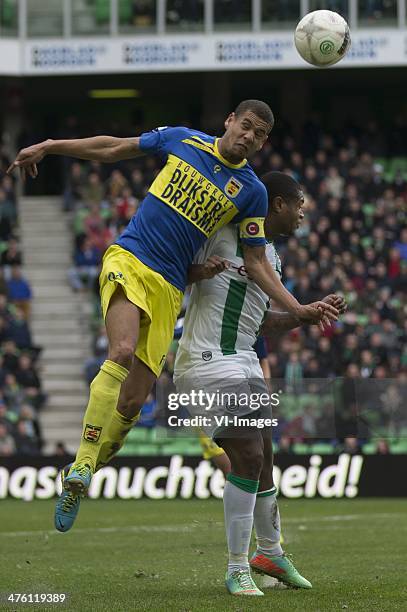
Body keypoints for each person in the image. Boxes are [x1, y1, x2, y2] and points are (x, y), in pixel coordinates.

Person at [8, 101, 338, 533]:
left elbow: (256, 261)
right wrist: (51, 146)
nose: (248, 137)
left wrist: (296, 307)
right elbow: (115, 148)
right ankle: (84, 464)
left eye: (258, 135)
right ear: (230, 121)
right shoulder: (183, 140)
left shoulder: (252, 192)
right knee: (122, 350)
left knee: (131, 401)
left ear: (263, 143)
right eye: (246, 126)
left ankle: (82, 474)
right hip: (131, 257)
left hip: (170, 287)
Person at [173, 172, 346, 596]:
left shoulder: (270, 257)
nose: (304, 211)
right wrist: (198, 271)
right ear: (278, 204)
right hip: (207, 359)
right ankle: (236, 567)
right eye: (299, 202)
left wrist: (306, 315)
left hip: (244, 359)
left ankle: (270, 552)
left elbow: (261, 322)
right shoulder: (220, 234)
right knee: (248, 456)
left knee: (264, 456)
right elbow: (177, 270)